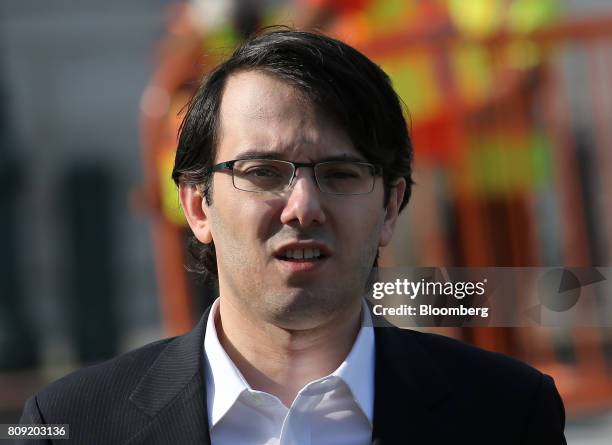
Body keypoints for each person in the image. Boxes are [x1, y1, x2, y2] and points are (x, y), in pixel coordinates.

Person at [20, 29, 566, 444]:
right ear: (196, 205)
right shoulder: (70, 424)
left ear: (391, 205)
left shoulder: (507, 414)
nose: (303, 208)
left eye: (341, 174)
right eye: (262, 173)